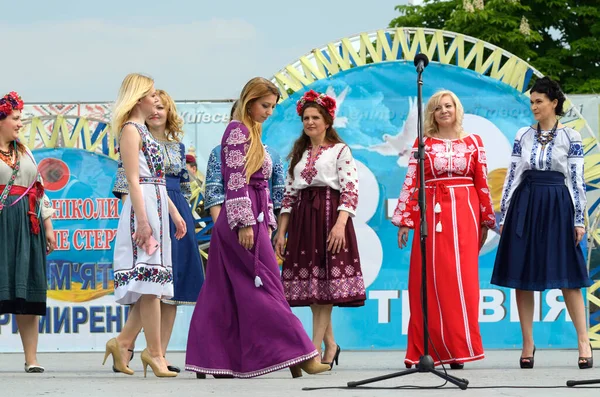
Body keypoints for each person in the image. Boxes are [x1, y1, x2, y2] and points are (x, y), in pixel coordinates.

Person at [185, 77, 330, 378]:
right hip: (243, 219)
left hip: (252, 216)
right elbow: (235, 180)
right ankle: (301, 354)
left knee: (222, 290)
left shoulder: (252, 132)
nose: (270, 111)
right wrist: (245, 223)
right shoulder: (237, 130)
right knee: (268, 286)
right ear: (249, 101)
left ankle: (212, 359)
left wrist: (261, 221)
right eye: (265, 105)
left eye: (273, 107)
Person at [491, 77, 593, 369]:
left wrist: (578, 220)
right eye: (532, 101)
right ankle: (527, 343)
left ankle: (583, 341)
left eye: (539, 101)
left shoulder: (570, 137)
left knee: (569, 278)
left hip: (558, 205)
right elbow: (512, 175)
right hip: (526, 203)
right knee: (522, 278)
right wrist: (505, 213)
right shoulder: (523, 134)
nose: (534, 106)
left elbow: (576, 180)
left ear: (554, 103)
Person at [392, 90, 496, 369]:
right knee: (428, 279)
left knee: (461, 281)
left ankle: (458, 348)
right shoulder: (423, 143)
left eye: (448, 106)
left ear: (457, 109)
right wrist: (405, 219)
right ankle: (428, 348)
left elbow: (482, 182)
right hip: (431, 214)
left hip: (465, 214)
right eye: (438, 107)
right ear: (432, 114)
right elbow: (412, 180)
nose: (444, 111)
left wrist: (487, 219)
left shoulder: (474, 142)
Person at [111, 89, 205, 373]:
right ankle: (133, 348)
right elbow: (126, 183)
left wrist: (179, 214)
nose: (156, 111)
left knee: (168, 285)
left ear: (169, 112)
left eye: (161, 107)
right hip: (148, 208)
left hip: (170, 206)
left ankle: (157, 352)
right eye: (152, 105)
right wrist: (141, 219)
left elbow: (183, 187)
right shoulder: (134, 134)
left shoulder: (177, 148)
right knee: (148, 282)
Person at [274, 89, 366, 369]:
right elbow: (289, 195)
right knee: (315, 287)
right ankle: (331, 345)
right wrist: (281, 231)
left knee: (324, 288)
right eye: (305, 118)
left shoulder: (340, 150)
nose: (310, 122)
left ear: (327, 121)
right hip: (303, 219)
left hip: (329, 216)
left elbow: (350, 189)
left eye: (315, 117)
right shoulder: (299, 153)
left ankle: (311, 352)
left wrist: (340, 225)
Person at [0, 91, 56, 373]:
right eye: (15, 118)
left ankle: (31, 358)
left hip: (27, 223)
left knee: (28, 296)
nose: (20, 123)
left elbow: (38, 188)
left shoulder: (25, 152)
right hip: (1, 225)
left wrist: (47, 225)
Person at [204, 100, 285, 224]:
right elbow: (214, 195)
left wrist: (276, 231)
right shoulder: (218, 152)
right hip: (230, 221)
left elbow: (279, 197)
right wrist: (220, 229)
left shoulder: (271, 155)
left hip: (265, 220)